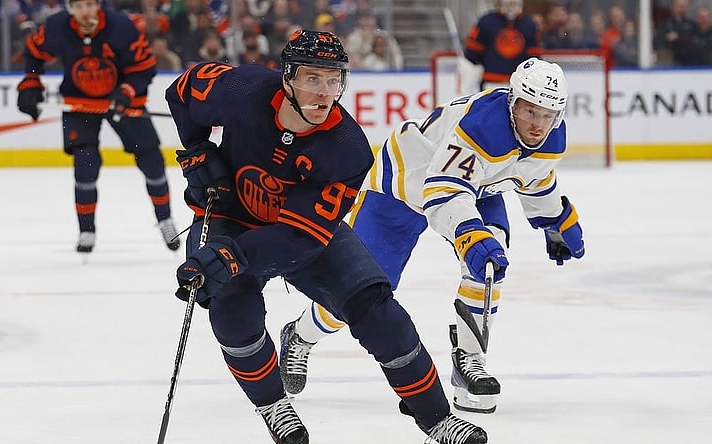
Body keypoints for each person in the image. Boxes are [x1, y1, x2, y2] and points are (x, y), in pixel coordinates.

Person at [166, 30, 488, 444]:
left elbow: (300, 240)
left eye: (334, 79)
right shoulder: (242, 87)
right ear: (286, 78)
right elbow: (181, 91)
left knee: (379, 313)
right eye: (312, 79)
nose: (325, 92)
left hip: (301, 236)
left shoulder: (347, 149)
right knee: (232, 314)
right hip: (229, 217)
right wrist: (196, 149)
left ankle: (438, 420)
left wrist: (232, 256)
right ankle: (273, 406)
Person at [279, 58, 585, 415]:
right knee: (361, 292)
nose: (538, 124)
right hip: (403, 187)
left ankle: (468, 361)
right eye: (530, 111)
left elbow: (532, 176)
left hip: (477, 189)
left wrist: (556, 219)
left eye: (547, 114)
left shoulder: (551, 136)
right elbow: (443, 190)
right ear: (512, 100)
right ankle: (300, 335)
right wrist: (469, 233)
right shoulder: (482, 127)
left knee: (489, 262)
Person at [16, 0, 180, 253]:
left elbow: (144, 67)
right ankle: (86, 231)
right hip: (80, 103)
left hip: (123, 101)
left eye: (90, 4)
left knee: (151, 160)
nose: (85, 12)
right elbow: (34, 53)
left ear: (99, 6)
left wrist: (126, 92)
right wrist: (30, 82)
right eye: (79, 6)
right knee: (86, 162)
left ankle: (166, 219)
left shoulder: (121, 27)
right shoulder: (56, 27)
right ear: (70, 9)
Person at [463, 0, 541, 89]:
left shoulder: (529, 25)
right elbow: (472, 52)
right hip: (491, 80)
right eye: (509, 3)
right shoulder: (486, 22)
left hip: (518, 83)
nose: (511, 7)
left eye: (514, 3)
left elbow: (534, 57)